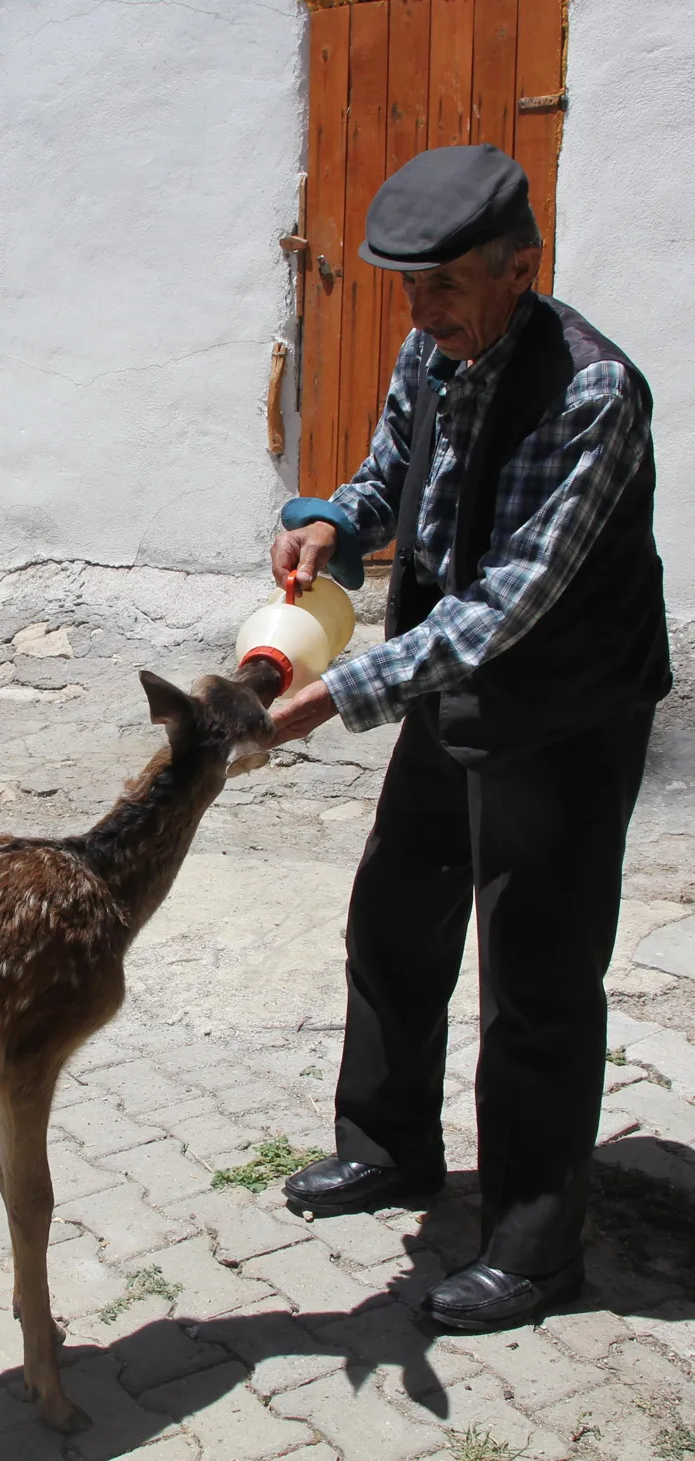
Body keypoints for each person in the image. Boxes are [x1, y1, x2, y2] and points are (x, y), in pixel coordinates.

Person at [268, 144, 671, 1332]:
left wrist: (345, 693)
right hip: (449, 681)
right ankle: (389, 1147)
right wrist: (334, 521)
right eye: (406, 285)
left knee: (537, 978)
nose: (420, 308)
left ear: (519, 267)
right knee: (397, 907)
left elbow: (511, 598)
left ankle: (538, 1248)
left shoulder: (594, 391)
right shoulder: (434, 348)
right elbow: (396, 470)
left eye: (443, 283)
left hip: (565, 707)